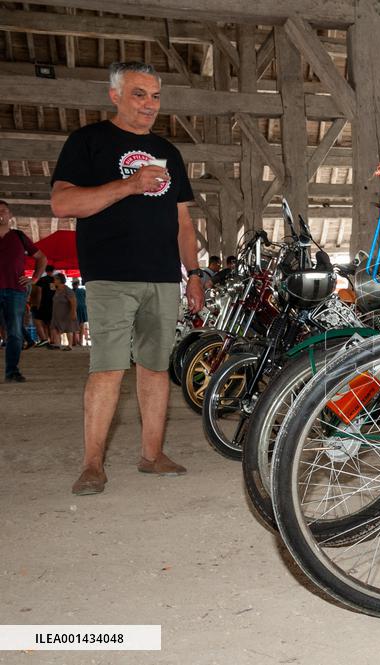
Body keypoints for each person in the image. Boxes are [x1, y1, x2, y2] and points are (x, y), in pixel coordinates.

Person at [51, 61, 205, 495]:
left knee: (156, 369)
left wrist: (192, 274)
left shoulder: (169, 152)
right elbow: (62, 204)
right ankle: (92, 465)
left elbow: (183, 221)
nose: (149, 104)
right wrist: (129, 185)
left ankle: (152, 455)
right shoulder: (89, 141)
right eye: (139, 94)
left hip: (162, 278)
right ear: (114, 95)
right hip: (110, 276)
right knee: (108, 369)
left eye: (155, 96)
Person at [0, 200, 47, 381]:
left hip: (16, 291)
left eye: (4, 210)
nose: (1, 214)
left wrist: (34, 278)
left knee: (15, 333)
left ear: (10, 215)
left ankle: (12, 372)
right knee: (13, 332)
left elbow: (41, 257)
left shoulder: (19, 236)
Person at [49, 273, 78, 350]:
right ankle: (57, 344)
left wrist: (73, 312)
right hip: (56, 314)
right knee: (54, 328)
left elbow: (73, 301)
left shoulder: (68, 290)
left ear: (59, 280)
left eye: (55, 279)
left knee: (68, 328)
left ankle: (70, 345)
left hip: (66, 313)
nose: (54, 281)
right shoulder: (56, 289)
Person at [32, 264, 56, 347]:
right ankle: (52, 340)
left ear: (45, 271)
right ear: (53, 271)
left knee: (38, 321)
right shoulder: (55, 280)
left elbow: (39, 293)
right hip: (52, 304)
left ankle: (44, 340)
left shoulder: (42, 280)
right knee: (49, 323)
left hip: (43, 304)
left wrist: (38, 304)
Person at [72, 279, 89, 346]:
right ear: (78, 284)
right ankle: (80, 341)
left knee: (73, 325)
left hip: (75, 308)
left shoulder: (70, 291)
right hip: (82, 308)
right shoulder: (83, 290)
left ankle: (75, 341)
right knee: (81, 325)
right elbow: (87, 299)